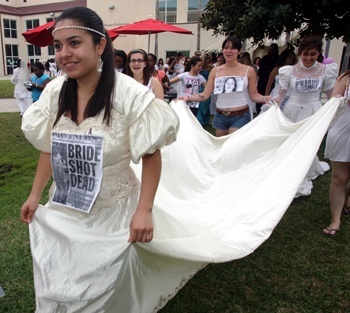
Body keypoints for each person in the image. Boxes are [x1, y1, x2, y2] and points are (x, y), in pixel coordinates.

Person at [20, 6, 179, 313]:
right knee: (63, 275)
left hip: (113, 210)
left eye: (75, 43)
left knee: (102, 287)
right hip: (66, 207)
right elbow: (50, 148)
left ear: (100, 45)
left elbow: (151, 155)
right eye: (58, 46)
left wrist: (143, 210)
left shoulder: (128, 94)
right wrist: (35, 193)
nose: (64, 53)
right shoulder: (55, 91)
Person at [276, 35, 338, 197]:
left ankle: (303, 171)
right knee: (293, 143)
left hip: (313, 111)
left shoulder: (326, 70)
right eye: (305, 54)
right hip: (292, 111)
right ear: (300, 54)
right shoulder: (289, 71)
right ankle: (292, 172)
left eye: (312, 54)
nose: (308, 58)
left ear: (318, 54)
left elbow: (331, 93)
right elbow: (281, 94)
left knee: (309, 144)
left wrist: (336, 105)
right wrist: (272, 105)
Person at [178, 36, 271, 137]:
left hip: (240, 116)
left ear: (239, 51)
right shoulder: (215, 71)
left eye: (233, 48)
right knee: (222, 148)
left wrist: (265, 98)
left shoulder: (249, 71)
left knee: (232, 146)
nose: (229, 51)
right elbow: (205, 94)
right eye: (226, 48)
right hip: (220, 116)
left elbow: (254, 95)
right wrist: (188, 97)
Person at [323, 70, 350, 237]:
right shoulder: (345, 78)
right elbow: (333, 102)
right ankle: (335, 219)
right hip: (344, 130)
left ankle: (347, 198)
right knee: (340, 177)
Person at [256, 43, 279, 113]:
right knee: (260, 100)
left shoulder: (278, 59)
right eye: (270, 49)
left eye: (273, 50)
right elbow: (260, 73)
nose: (270, 51)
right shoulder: (265, 58)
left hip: (273, 84)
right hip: (262, 83)